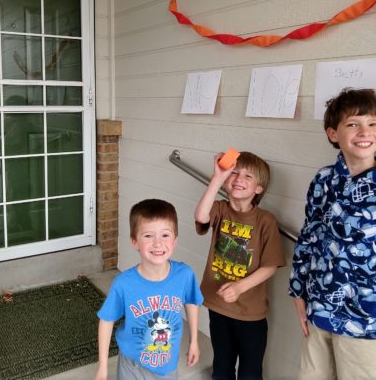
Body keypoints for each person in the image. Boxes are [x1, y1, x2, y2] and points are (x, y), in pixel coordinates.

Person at [288, 88, 376, 380]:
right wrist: (298, 289)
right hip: (320, 308)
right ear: (333, 133)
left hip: (365, 321)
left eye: (373, 124)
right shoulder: (324, 180)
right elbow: (308, 237)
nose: (365, 131)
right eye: (353, 123)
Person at [195, 151, 286, 380]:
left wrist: (239, 287)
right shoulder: (220, 209)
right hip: (218, 306)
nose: (239, 179)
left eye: (248, 176)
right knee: (222, 367)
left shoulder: (265, 220)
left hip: (251, 314)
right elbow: (201, 215)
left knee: (250, 372)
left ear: (259, 188)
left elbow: (270, 265)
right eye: (234, 173)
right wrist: (217, 177)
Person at [95, 199, 203, 380]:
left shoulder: (184, 275)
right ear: (134, 241)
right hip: (132, 365)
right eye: (148, 236)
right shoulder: (124, 283)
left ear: (175, 241)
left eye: (165, 235)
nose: (158, 243)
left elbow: (192, 302)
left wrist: (194, 342)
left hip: (167, 365)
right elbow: (106, 321)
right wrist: (103, 367)